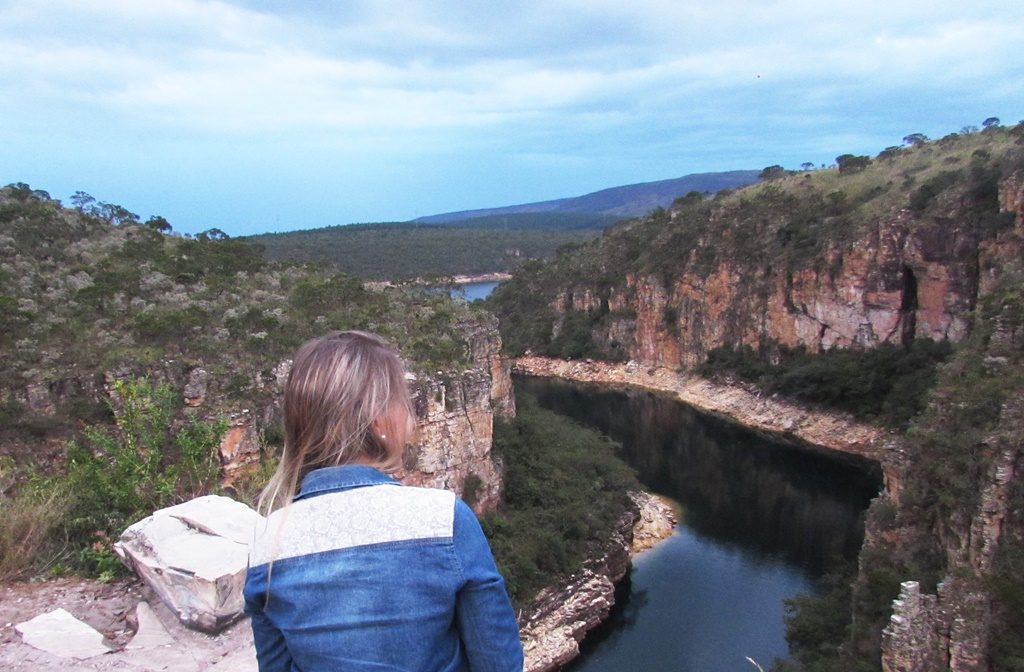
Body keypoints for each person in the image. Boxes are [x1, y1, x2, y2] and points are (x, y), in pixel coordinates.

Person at [244, 330, 524, 672]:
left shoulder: (266, 546)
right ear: (378, 419)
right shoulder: (445, 519)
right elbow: (499, 664)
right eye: (405, 404)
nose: (412, 418)